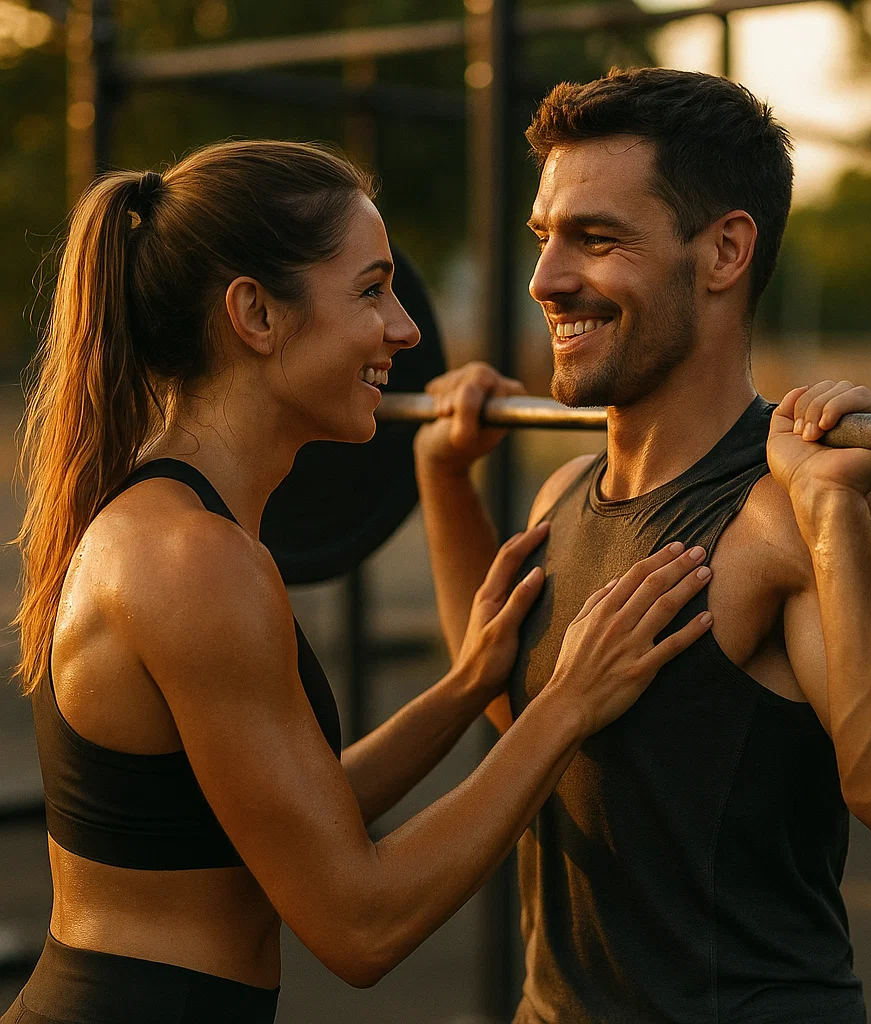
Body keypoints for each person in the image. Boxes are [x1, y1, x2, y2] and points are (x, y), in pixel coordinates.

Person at [3, 139, 718, 1024]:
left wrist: (467, 687)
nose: (407, 330)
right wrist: (568, 703)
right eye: (372, 291)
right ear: (255, 314)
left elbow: (299, 818)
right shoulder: (193, 560)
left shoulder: (173, 526)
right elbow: (360, 924)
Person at [413, 69, 871, 1023]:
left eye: (596, 239)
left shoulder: (791, 515)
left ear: (725, 251)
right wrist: (444, 480)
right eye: (545, 236)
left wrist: (833, 516)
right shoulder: (565, 494)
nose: (545, 279)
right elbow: (525, 717)